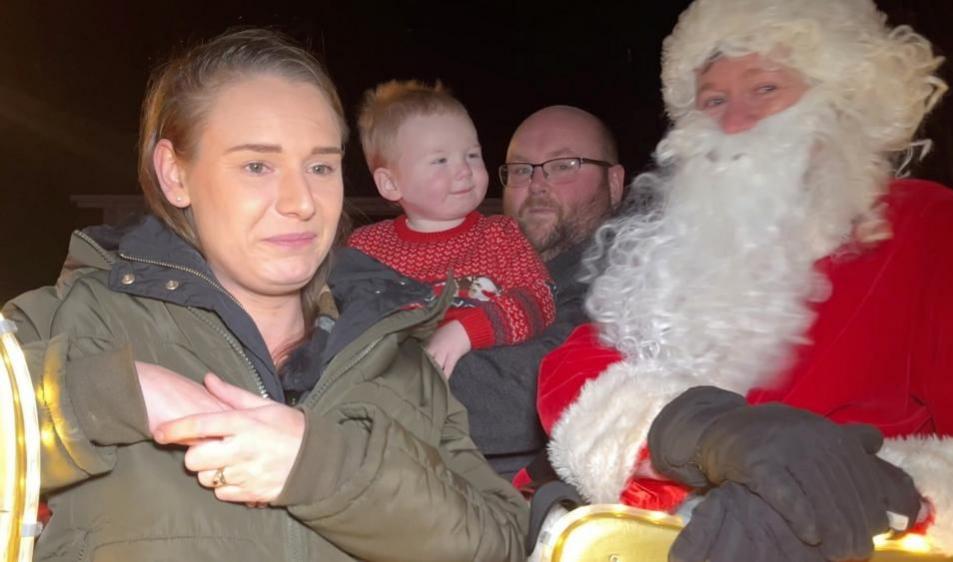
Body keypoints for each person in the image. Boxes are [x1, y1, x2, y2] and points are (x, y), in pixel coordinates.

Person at [4, 29, 526, 561]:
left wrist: (319, 466)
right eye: (258, 165)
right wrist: (122, 393)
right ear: (174, 173)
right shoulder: (85, 318)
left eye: (320, 166)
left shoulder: (397, 356)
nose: (302, 202)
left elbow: (502, 544)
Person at [534, 0, 953, 560]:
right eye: (714, 100)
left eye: (764, 90)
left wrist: (859, 494)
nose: (733, 123)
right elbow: (576, 370)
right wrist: (694, 430)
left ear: (837, 100)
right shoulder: (688, 241)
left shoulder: (931, 226)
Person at [448, 105, 625, 478]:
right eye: (521, 170)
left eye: (564, 165)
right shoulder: (481, 263)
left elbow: (525, 392)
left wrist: (375, 367)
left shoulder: (628, 280)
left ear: (614, 183)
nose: (537, 184)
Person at [347, 80, 556, 378]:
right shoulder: (366, 247)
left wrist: (464, 332)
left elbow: (541, 299)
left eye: (472, 155)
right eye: (440, 160)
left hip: (482, 392)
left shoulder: (500, 235)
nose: (464, 170)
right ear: (391, 183)